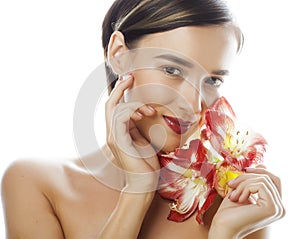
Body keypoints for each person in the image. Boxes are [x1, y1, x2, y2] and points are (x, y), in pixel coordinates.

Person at [1, 0, 285, 238]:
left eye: (212, 80)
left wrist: (225, 233)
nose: (193, 104)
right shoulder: (36, 182)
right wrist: (136, 192)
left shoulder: (238, 202)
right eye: (172, 70)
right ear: (118, 55)